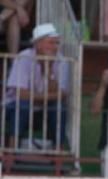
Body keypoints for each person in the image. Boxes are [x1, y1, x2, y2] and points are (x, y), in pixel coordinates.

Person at [3, 23, 71, 151]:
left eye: (56, 43)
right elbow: (20, 94)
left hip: (44, 110)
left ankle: (59, 153)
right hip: (15, 107)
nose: (55, 47)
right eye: (51, 43)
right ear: (38, 44)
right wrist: (48, 97)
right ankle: (11, 153)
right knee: (22, 104)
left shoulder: (62, 60)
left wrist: (49, 69)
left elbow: (62, 94)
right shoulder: (24, 57)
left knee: (59, 107)